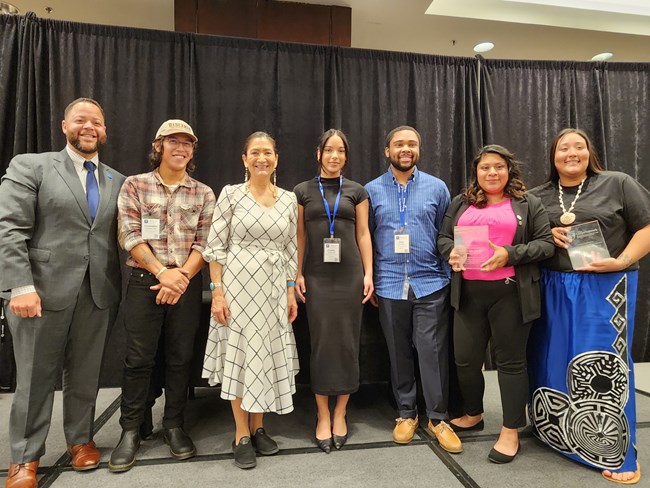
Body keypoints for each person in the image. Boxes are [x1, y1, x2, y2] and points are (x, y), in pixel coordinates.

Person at [0, 98, 125, 488]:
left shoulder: (116, 180)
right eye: (81, 120)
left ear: (105, 132)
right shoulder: (31, 165)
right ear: (64, 125)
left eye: (97, 122)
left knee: (86, 375)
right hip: (38, 294)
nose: (90, 127)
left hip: (97, 292)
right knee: (35, 378)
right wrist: (20, 286)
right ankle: (25, 458)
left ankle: (79, 440)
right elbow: (9, 230)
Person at [528, 128, 650, 484]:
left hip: (605, 285)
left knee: (602, 368)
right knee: (550, 358)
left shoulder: (618, 183)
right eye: (563, 148)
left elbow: (646, 227)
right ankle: (556, 435)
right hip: (550, 284)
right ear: (553, 156)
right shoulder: (538, 196)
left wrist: (622, 259)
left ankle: (616, 451)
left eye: (578, 147)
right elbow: (525, 239)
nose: (571, 153)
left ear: (589, 152)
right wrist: (545, 234)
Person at [109, 119, 215, 472]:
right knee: (138, 358)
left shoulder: (203, 192)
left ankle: (174, 425)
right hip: (145, 280)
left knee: (180, 357)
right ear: (159, 146)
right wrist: (162, 273)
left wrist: (181, 276)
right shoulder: (134, 185)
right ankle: (130, 431)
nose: (181, 148)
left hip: (186, 283)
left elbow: (206, 242)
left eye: (187, 143)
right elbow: (129, 234)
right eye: (174, 141)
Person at [437, 145, 554, 463]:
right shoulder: (462, 202)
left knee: (510, 363)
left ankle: (511, 430)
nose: (492, 173)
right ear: (476, 172)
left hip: (511, 295)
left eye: (499, 167)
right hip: (469, 295)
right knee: (465, 360)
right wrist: (452, 251)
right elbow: (444, 237)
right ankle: (473, 413)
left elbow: (545, 244)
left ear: (509, 170)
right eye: (485, 167)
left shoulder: (528, 203)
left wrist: (510, 254)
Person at [202, 131, 298, 469]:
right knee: (242, 355)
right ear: (244, 159)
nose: (262, 158)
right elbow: (214, 248)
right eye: (255, 152)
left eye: (268, 152)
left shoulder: (288, 199)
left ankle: (259, 428)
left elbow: (290, 248)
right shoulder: (230, 195)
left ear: (276, 159)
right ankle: (241, 433)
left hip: (273, 289)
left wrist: (289, 289)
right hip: (238, 286)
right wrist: (217, 291)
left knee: (264, 354)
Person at [365, 125, 461, 453]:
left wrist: (449, 276)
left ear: (418, 149)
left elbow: (447, 234)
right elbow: (367, 237)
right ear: (387, 151)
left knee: (433, 352)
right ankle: (406, 413)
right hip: (390, 284)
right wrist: (372, 278)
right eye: (399, 144)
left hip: (431, 282)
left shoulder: (437, 188)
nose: (405, 149)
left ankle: (438, 417)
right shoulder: (371, 190)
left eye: (412, 144)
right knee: (398, 352)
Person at [293, 129, 373, 453]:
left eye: (340, 151)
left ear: (346, 156)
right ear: (318, 154)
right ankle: (322, 415)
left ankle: (341, 412)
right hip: (316, 276)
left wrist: (369, 273)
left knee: (348, 342)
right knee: (321, 343)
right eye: (329, 150)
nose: (335, 156)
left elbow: (364, 234)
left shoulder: (357, 191)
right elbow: (298, 237)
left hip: (350, 275)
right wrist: (295, 273)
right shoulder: (301, 191)